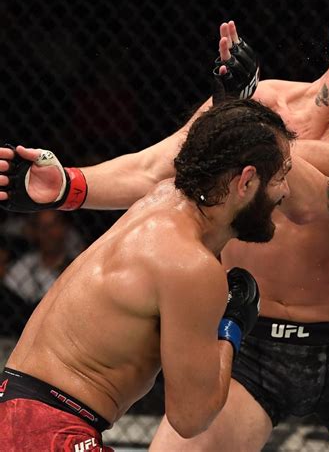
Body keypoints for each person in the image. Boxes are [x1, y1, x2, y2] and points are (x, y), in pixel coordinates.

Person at [0, 0, 329, 451]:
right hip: (241, 342)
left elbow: (321, 203)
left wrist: (242, 119)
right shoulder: (262, 100)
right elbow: (155, 167)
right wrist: (69, 185)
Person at [0, 99, 296, 451]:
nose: (286, 191)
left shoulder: (162, 198)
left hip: (21, 410)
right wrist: (232, 325)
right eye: (280, 176)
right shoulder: (191, 266)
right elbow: (192, 417)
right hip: (45, 430)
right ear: (246, 181)